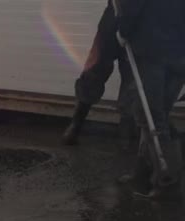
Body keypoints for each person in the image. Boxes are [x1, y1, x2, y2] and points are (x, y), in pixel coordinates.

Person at [116, 0, 185, 200]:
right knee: (158, 113)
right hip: (178, 54)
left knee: (150, 116)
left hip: (153, 49)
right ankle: (143, 174)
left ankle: (168, 179)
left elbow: (132, 7)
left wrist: (123, 30)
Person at [62, 1, 136, 147]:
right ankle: (75, 126)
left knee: (131, 80)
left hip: (135, 23)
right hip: (116, 19)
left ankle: (125, 137)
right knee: (95, 72)